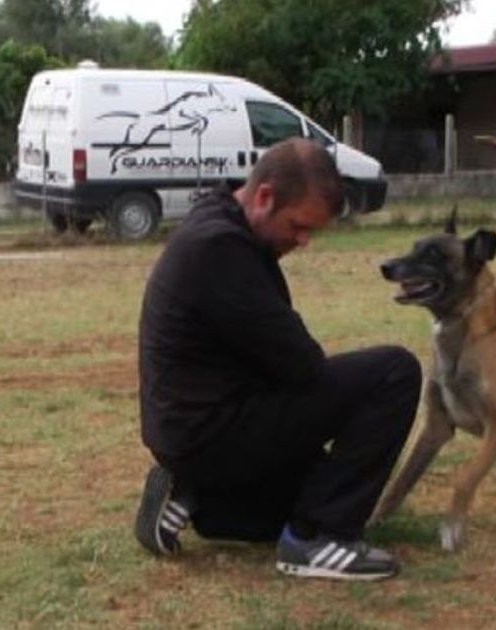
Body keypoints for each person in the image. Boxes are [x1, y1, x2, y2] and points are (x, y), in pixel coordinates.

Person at [134, 138, 421, 581]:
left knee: (322, 486)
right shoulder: (221, 251)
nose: (303, 241)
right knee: (393, 372)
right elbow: (302, 365)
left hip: (192, 429)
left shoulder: (219, 222)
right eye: (298, 226)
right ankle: (317, 538)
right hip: (209, 431)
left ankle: (200, 496)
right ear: (265, 196)